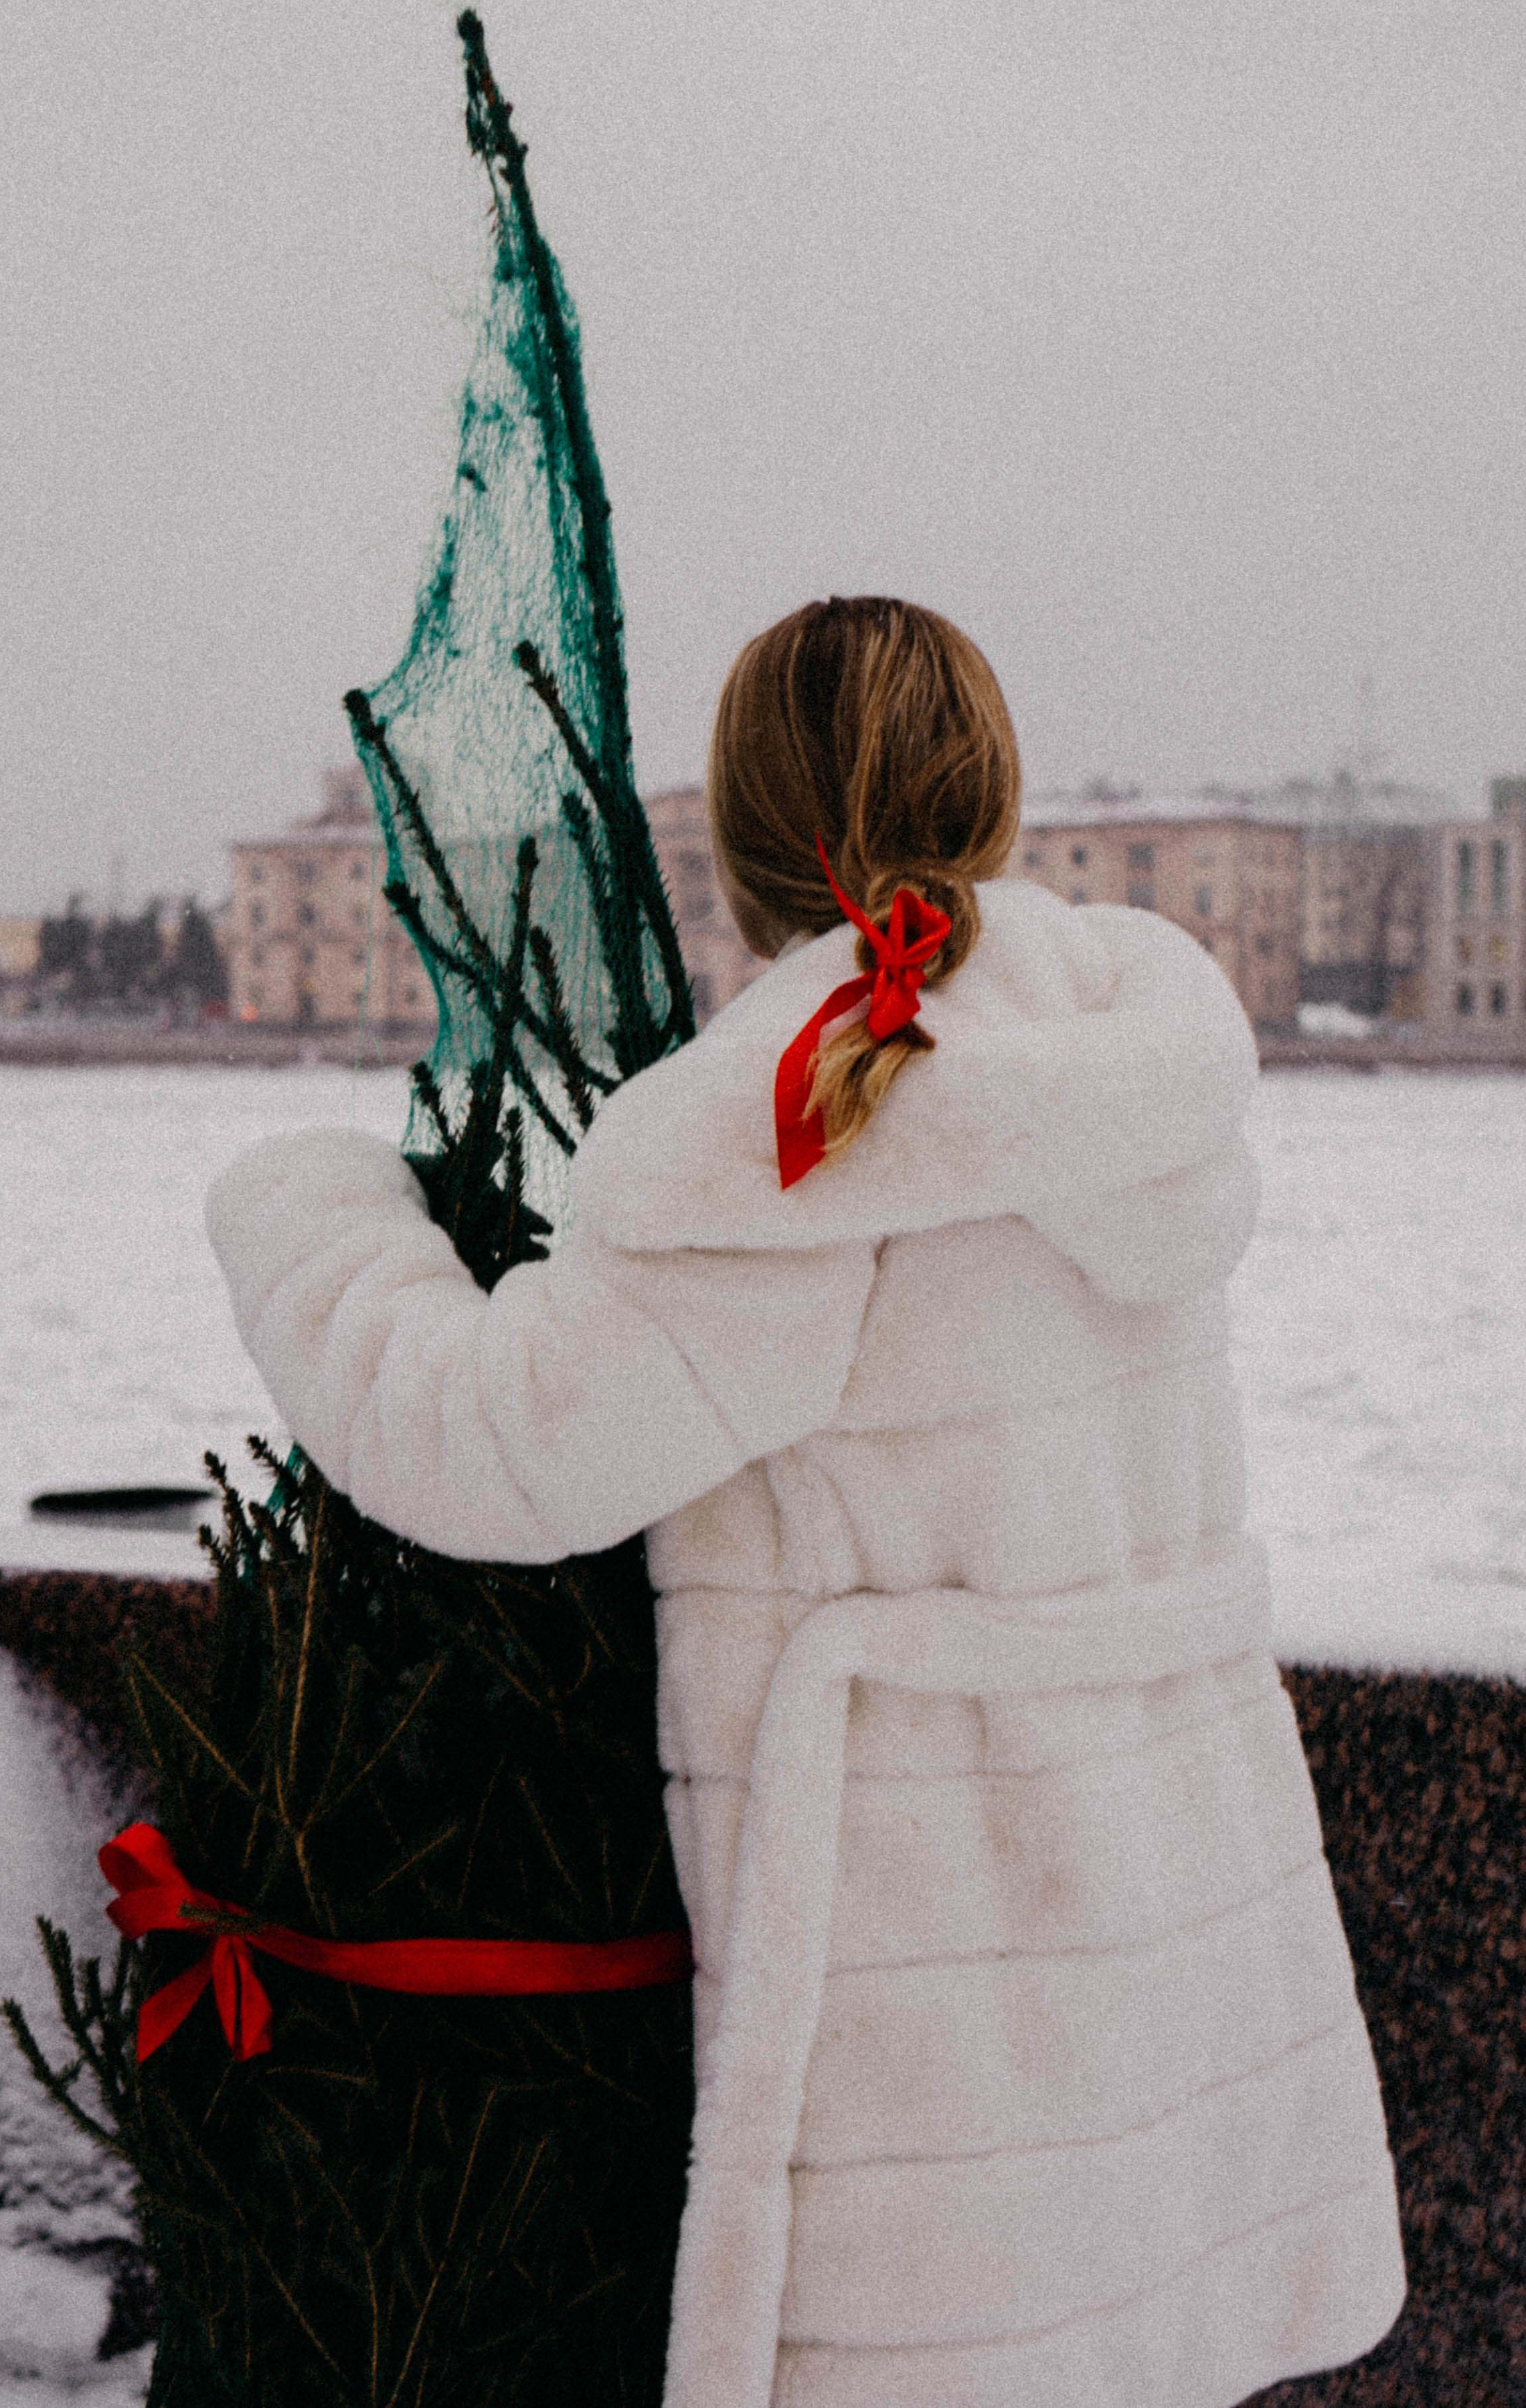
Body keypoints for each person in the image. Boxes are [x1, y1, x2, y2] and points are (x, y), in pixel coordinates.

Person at [207, 596, 1404, 2408]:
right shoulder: (1122, 1065)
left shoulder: (791, 1129)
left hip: (934, 2021)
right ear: (990, 790)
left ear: (742, 832)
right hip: (1171, 1950)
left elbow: (487, 1442)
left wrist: (311, 1210)